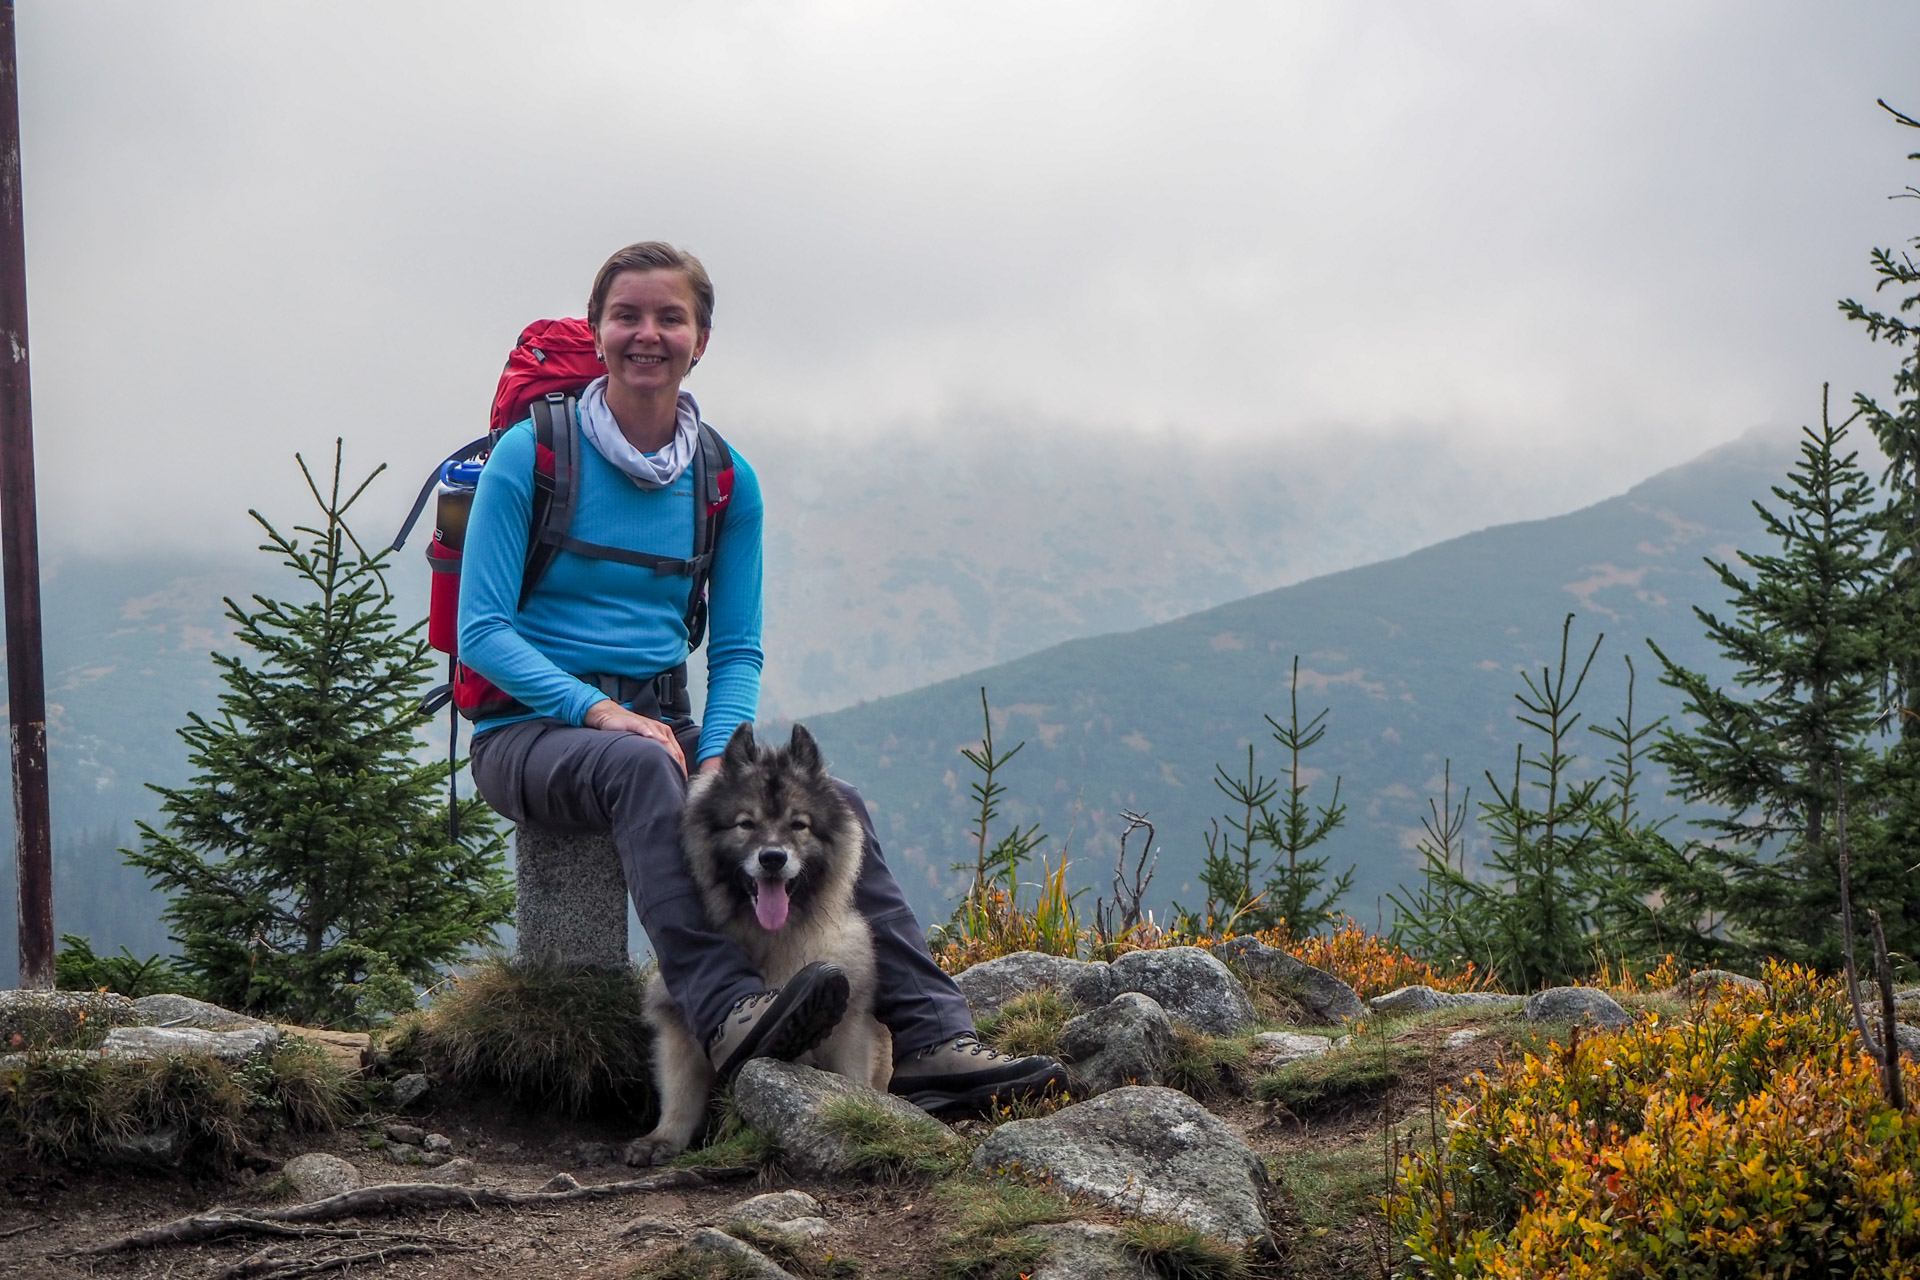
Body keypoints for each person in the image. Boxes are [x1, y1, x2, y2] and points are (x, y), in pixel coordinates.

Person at [460, 241, 1063, 1115]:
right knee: (643, 767)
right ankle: (728, 1009)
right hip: (526, 730)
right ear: (596, 332)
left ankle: (933, 1036)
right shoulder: (530, 457)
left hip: (662, 721)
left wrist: (724, 757)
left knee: (835, 801)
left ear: (701, 339)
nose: (647, 334)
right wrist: (596, 713)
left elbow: (736, 651)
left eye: (671, 317)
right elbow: (482, 632)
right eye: (626, 315)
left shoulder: (722, 480)